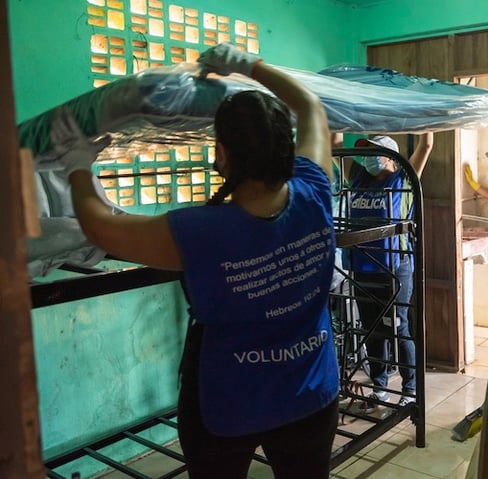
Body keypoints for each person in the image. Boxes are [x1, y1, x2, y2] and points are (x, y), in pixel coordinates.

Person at [54, 43, 338, 478]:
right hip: (310, 394)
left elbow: (100, 227)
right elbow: (311, 106)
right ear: (287, 147)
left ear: (222, 155)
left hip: (228, 404)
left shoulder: (200, 232)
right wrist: (248, 65)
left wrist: (77, 166)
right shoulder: (315, 192)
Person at [345, 132, 433, 412]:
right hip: (362, 268)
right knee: (372, 331)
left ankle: (410, 389)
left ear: (392, 157)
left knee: (398, 327)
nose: (368, 159)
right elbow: (336, 146)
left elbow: (426, 144)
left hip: (395, 268)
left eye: (375, 153)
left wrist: (422, 120)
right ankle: (379, 387)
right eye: (366, 154)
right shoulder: (358, 180)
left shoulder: (402, 179)